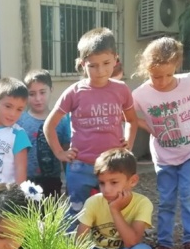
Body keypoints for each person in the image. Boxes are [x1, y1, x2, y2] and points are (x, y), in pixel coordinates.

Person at [43, 27, 138, 223]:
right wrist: (60, 153)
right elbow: (49, 125)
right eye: (93, 65)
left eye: (106, 63)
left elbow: (131, 120)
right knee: (78, 214)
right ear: (82, 64)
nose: (100, 70)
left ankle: (112, 248)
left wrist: (128, 143)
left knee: (113, 211)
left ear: (115, 59)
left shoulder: (121, 90)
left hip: (113, 167)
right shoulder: (75, 92)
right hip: (81, 166)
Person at [132, 37, 190, 249]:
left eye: (168, 74)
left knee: (189, 195)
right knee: (166, 200)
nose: (163, 81)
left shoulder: (187, 82)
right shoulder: (141, 94)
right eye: (156, 76)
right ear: (146, 69)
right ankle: (165, 244)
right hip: (164, 155)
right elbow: (127, 113)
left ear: (176, 67)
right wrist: (148, 126)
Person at [76, 149, 154, 249]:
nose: (106, 189)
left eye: (114, 182)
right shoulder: (93, 202)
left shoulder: (143, 203)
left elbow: (132, 242)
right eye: (102, 183)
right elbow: (80, 239)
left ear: (132, 181)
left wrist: (115, 210)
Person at [18, 69, 71, 197]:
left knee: (51, 216)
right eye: (32, 94)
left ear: (51, 90)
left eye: (42, 92)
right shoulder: (20, 121)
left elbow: (66, 152)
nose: (38, 99)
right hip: (27, 181)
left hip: (53, 181)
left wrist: (69, 181)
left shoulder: (61, 120)